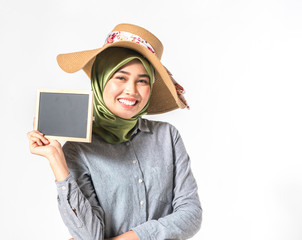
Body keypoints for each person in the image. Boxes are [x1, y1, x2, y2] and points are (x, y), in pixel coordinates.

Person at [27, 23, 202, 240]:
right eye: (121, 77)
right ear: (101, 80)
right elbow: (89, 235)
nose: (131, 90)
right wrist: (56, 159)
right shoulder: (77, 149)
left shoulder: (167, 137)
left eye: (143, 81)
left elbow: (191, 214)